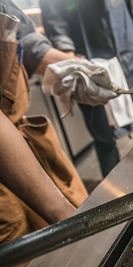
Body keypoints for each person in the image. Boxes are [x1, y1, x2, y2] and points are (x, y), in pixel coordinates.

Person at [0, 0, 92, 244]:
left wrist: (78, 67)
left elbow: (27, 43)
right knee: (28, 247)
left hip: (25, 146)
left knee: (77, 213)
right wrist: (63, 215)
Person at [39, 0, 133, 177]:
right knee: (104, 136)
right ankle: (113, 197)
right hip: (89, 63)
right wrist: (76, 67)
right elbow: (57, 26)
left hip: (130, 56)